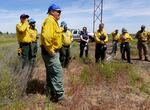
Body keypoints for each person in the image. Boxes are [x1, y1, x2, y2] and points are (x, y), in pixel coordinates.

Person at [41, 4, 64, 103]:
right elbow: (46, 37)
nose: (59, 13)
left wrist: (63, 29)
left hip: (50, 51)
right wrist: (51, 51)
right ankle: (60, 97)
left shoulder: (53, 22)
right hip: (50, 52)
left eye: (60, 11)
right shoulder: (50, 20)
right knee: (57, 73)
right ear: (51, 12)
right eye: (57, 11)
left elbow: (55, 33)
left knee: (51, 73)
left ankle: (51, 92)